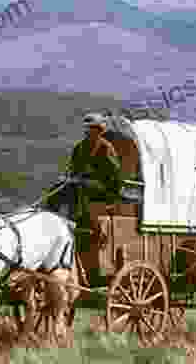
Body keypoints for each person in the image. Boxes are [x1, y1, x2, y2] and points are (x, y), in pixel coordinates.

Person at [63, 112, 122, 286]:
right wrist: (71, 178)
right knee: (62, 188)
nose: (89, 132)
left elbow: (114, 176)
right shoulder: (79, 148)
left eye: (92, 129)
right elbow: (73, 169)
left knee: (83, 188)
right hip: (83, 185)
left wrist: (91, 179)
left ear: (99, 131)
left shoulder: (106, 148)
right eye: (87, 130)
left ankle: (88, 221)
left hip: (104, 190)